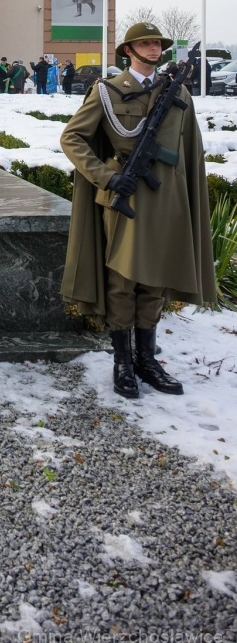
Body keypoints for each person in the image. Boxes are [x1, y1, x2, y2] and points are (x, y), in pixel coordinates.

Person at [59, 21, 216, 400]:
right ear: (128, 51)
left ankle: (147, 360)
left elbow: (189, 150)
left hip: (167, 200)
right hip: (125, 198)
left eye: (156, 43)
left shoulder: (178, 92)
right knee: (123, 281)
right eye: (144, 43)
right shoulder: (108, 91)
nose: (153, 49)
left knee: (155, 283)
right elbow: (72, 137)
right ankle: (123, 363)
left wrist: (188, 197)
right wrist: (107, 177)